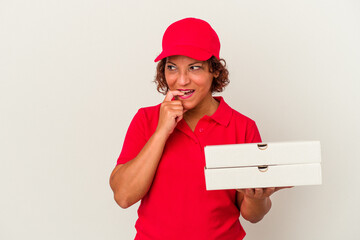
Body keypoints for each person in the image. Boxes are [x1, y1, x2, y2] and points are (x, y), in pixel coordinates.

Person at [110, 17, 287, 240]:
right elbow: (123, 196)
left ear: (214, 70)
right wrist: (162, 131)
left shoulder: (242, 127)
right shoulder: (146, 119)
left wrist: (258, 198)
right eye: (172, 67)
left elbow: (252, 215)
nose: (182, 80)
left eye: (194, 68)